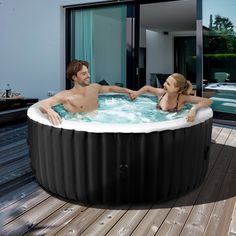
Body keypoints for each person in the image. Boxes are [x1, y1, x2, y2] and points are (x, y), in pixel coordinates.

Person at [39, 59, 133, 125]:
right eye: (84, 74)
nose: (89, 76)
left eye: (88, 72)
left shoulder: (94, 88)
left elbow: (110, 89)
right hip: (82, 128)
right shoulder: (66, 95)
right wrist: (49, 110)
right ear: (74, 77)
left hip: (102, 122)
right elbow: (43, 104)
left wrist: (128, 91)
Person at [129, 73, 212, 122]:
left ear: (177, 89)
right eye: (165, 81)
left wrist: (194, 108)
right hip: (156, 119)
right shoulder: (161, 93)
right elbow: (147, 88)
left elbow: (208, 101)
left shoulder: (182, 98)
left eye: (168, 84)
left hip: (171, 121)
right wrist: (137, 93)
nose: (164, 84)